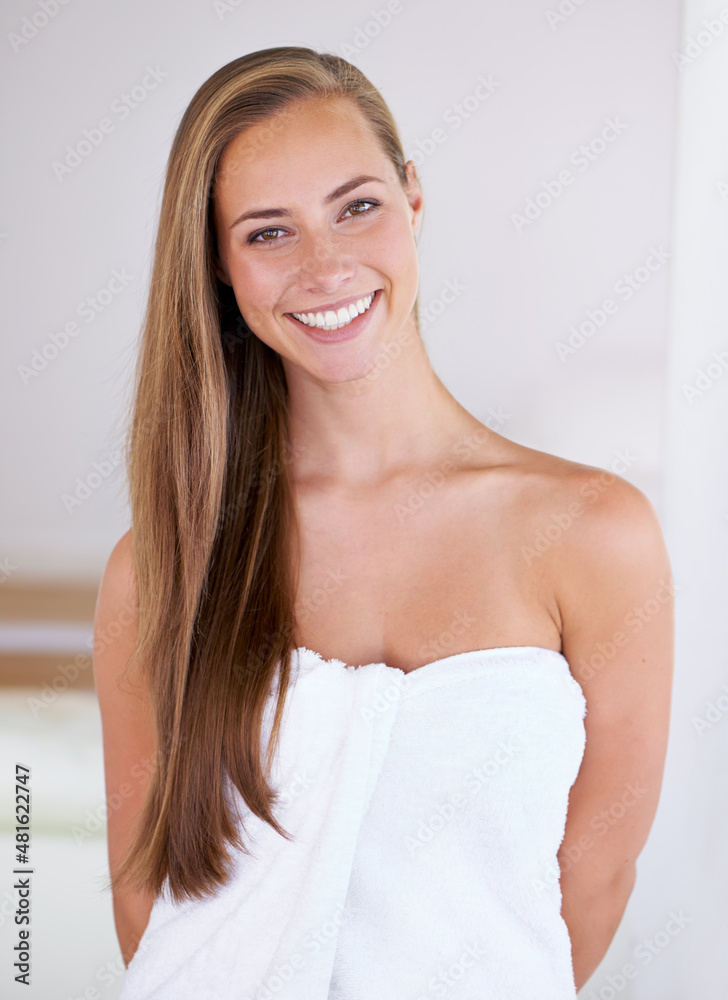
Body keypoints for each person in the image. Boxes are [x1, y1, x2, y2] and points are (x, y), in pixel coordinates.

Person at [93, 46, 674, 999]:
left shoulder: (593, 535)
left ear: (412, 199)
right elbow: (142, 893)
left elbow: (594, 878)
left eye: (356, 206)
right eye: (268, 233)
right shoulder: (164, 565)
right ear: (220, 269)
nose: (326, 268)